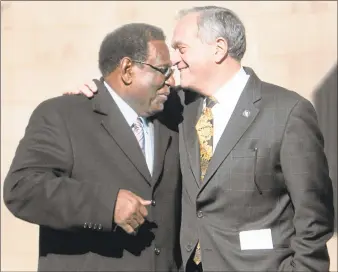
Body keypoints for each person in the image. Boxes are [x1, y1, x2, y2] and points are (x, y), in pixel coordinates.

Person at [69, 6, 335, 272]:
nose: (174, 60)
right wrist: (94, 95)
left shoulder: (286, 112)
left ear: (218, 49)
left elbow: (314, 216)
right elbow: (126, 101)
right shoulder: (177, 107)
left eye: (182, 48)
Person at [3, 23, 183, 271]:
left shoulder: (173, 115)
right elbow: (22, 190)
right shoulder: (63, 115)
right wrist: (107, 206)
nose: (171, 80)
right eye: (163, 70)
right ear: (127, 69)